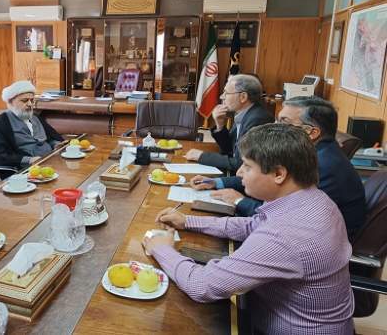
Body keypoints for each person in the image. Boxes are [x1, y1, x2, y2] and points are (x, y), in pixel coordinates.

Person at [144, 124, 354, 333]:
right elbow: (253, 225)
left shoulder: (285, 235)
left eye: (247, 166)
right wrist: (188, 221)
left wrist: (161, 248)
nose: (239, 172)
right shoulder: (313, 199)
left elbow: (201, 286)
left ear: (279, 174)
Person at [190, 96, 366, 239]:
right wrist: (218, 182)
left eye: (284, 122)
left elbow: (279, 216)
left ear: (311, 133)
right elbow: (263, 176)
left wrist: (239, 201)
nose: (275, 127)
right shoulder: (312, 153)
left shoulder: (322, 165)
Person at [185, 74, 273, 173]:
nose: (221, 97)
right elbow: (229, 150)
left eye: (226, 93)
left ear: (243, 97)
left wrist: (201, 156)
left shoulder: (257, 119)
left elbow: (240, 164)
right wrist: (220, 125)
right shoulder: (244, 113)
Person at [0, 80, 63, 169]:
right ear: (10, 102)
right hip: (26, 170)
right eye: (24, 101)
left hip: (51, 161)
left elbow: (50, 138)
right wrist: (29, 160)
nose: (29, 104)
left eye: (32, 100)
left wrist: (56, 144)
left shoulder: (36, 118)